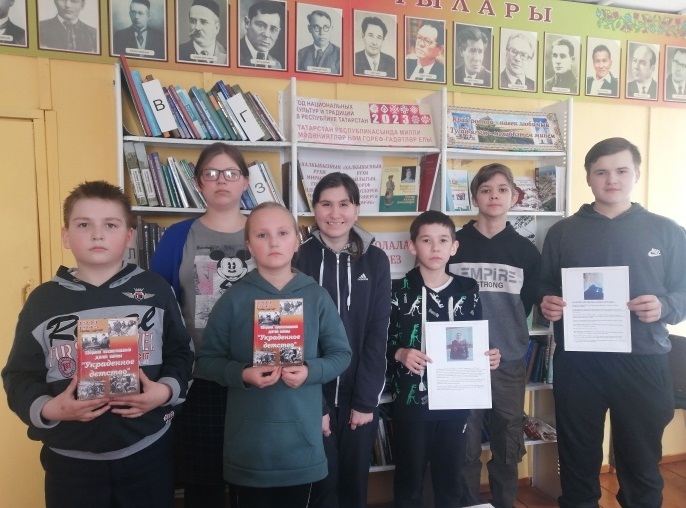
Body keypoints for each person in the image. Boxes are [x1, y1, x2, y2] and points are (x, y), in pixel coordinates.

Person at [2, 180, 193, 508]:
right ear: (66, 236)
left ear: (129, 236)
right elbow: (18, 375)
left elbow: (182, 353)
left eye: (110, 225)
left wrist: (164, 392)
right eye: (83, 225)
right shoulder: (43, 301)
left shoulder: (156, 290)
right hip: (70, 461)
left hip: (148, 451)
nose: (97, 234)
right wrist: (50, 408)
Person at [538, 137, 686, 508]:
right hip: (579, 361)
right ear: (588, 177)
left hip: (644, 359)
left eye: (621, 170)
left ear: (637, 173)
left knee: (640, 460)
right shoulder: (563, 232)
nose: (612, 179)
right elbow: (544, 284)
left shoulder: (666, 230)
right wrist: (546, 302)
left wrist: (665, 305)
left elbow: (682, 292)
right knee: (577, 456)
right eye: (601, 172)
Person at [196, 201, 352, 508]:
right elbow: (206, 361)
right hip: (249, 447)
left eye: (282, 233)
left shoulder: (316, 296)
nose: (274, 242)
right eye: (262, 235)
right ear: (248, 246)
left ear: (296, 241)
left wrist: (309, 370)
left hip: (301, 444)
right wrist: (242, 373)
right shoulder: (234, 298)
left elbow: (341, 354)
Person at [150, 143, 255, 508]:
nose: (221, 180)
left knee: (252, 481)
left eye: (231, 173)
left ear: (245, 182)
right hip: (198, 379)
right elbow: (158, 306)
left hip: (256, 377)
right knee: (202, 483)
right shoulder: (178, 236)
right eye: (211, 173)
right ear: (198, 183)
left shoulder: (266, 230)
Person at [387, 210, 501, 508]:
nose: (435, 248)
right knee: (409, 475)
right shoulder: (397, 291)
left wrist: (489, 354)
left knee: (450, 477)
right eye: (426, 240)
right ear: (412, 246)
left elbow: (476, 337)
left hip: (455, 398)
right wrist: (400, 352)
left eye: (443, 240)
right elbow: (380, 342)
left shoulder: (468, 289)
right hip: (411, 400)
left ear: (454, 247)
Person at [296, 173, 391, 508]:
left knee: (353, 488)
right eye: (326, 204)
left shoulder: (376, 260)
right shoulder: (298, 258)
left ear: (356, 209)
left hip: (357, 399)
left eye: (344, 204)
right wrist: (315, 406)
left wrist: (365, 401)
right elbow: (295, 337)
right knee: (319, 488)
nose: (335, 213)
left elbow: (378, 334)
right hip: (311, 396)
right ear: (314, 209)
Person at [448, 163, 541, 508]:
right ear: (474, 197)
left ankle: (504, 502)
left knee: (508, 438)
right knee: (465, 441)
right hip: (461, 359)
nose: (494, 196)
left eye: (502, 189)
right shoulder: (454, 244)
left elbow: (525, 305)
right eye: (486, 190)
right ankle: (468, 503)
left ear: (514, 197)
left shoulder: (526, 252)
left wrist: (503, 336)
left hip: (509, 359)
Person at [178, 0, 226, 65]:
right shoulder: (178, 52)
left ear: (216, 28)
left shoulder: (228, 54)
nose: (197, 27)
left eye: (203, 22)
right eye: (193, 21)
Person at [239, 0, 284, 69]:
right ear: (247, 23)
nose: (267, 34)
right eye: (260, 25)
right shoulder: (229, 54)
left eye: (273, 29)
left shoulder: (277, 65)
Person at [297, 9, 341, 75]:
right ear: (309, 29)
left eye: (326, 27)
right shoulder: (300, 54)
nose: (321, 32)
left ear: (331, 29)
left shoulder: (340, 54)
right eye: (316, 27)